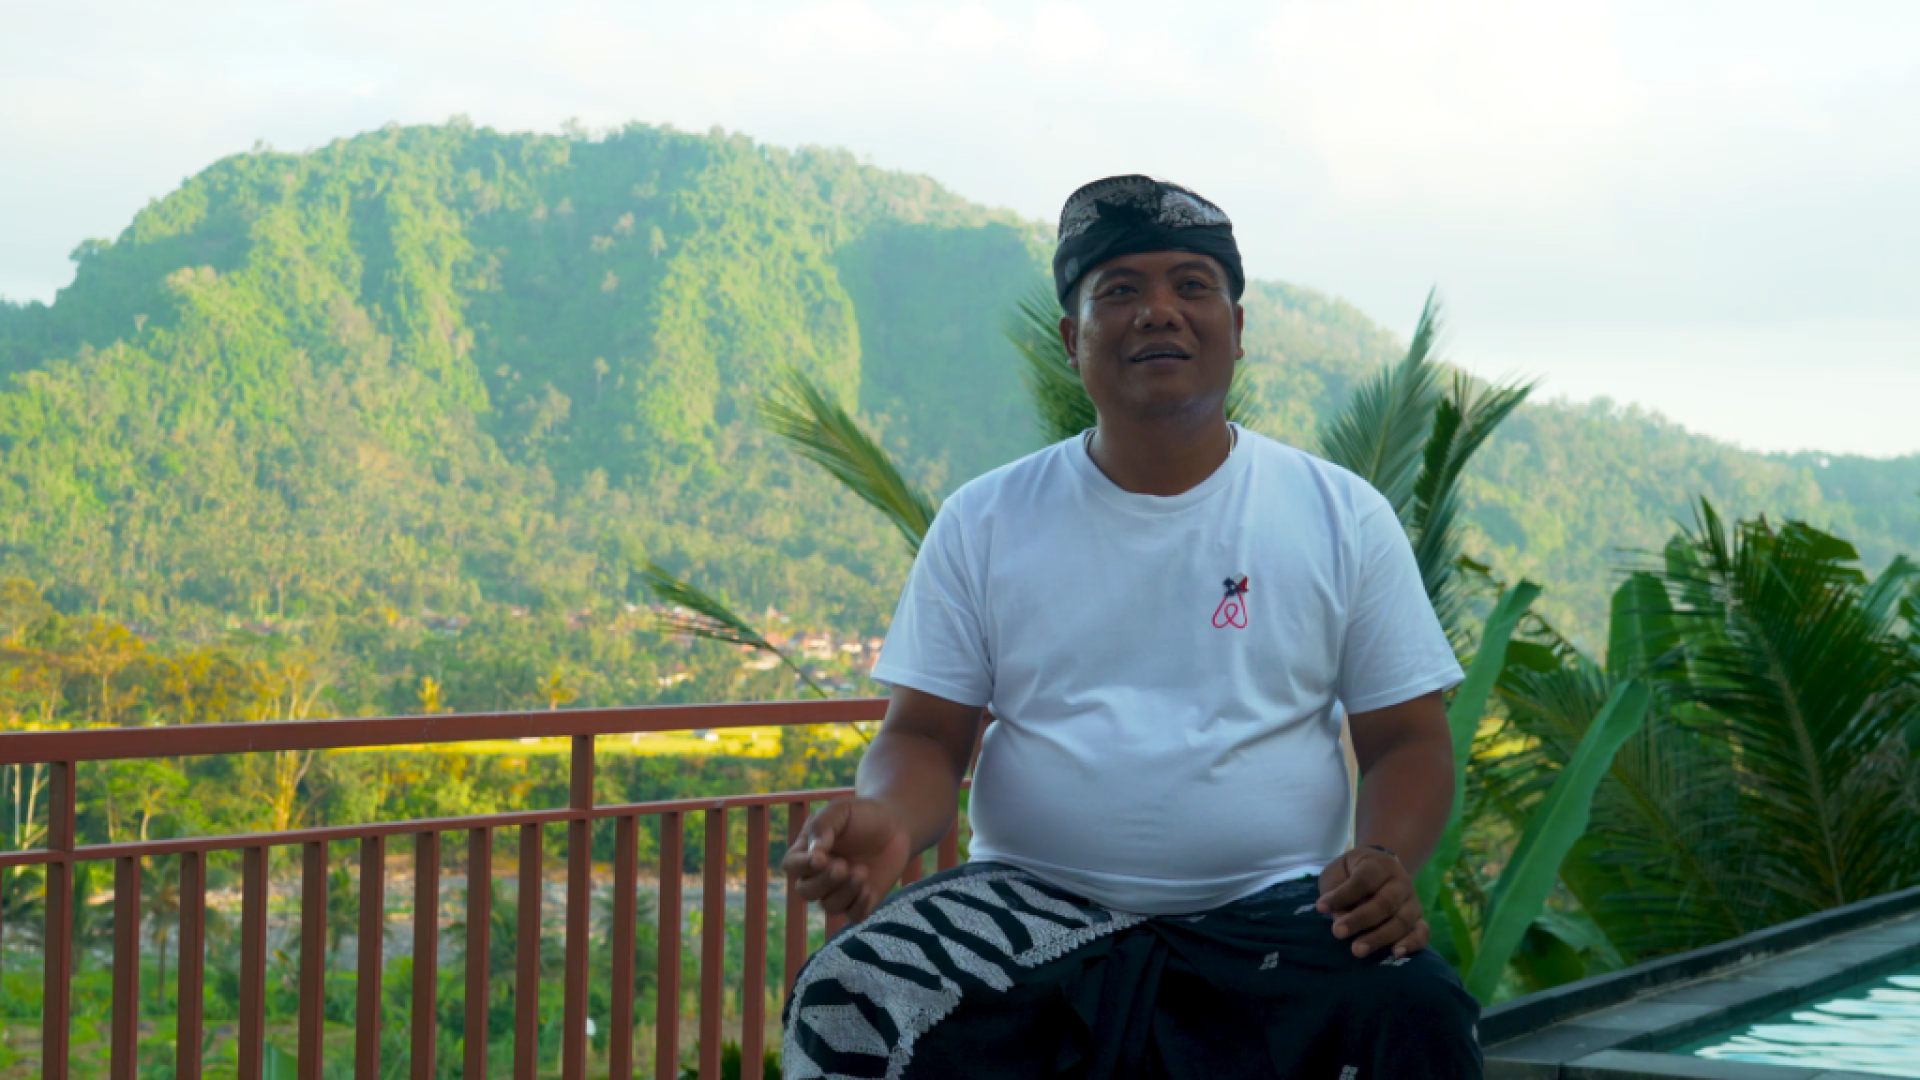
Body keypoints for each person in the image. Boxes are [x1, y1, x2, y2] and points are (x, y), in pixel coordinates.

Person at [779, 175, 1482, 1079]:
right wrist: (884, 819)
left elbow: (1407, 743)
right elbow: (924, 733)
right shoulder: (985, 518)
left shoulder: (1340, 514)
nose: (1159, 310)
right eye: (1120, 291)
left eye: (1193, 285)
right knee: (857, 996)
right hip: (1028, 910)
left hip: (1275, 914)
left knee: (1412, 1011)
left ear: (1236, 328)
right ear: (1074, 340)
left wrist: (1381, 857)